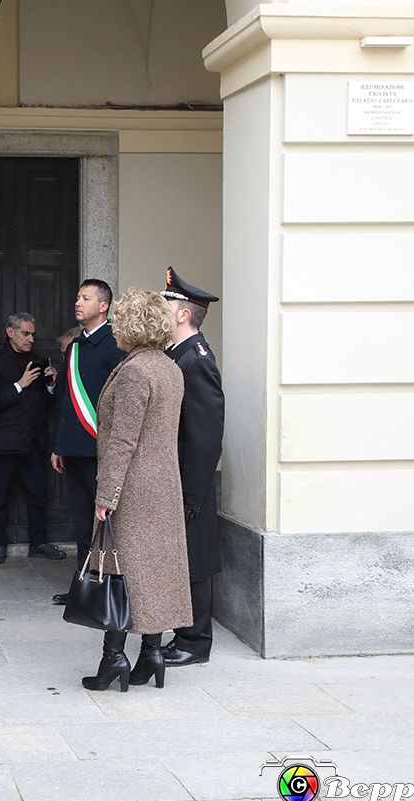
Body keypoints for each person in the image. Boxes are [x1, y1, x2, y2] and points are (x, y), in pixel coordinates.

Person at [82, 288, 191, 692]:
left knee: (121, 571)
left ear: (130, 325)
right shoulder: (169, 368)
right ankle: (152, 652)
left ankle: (113, 658)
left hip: (134, 487)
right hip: (164, 484)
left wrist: (105, 496)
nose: (113, 331)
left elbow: (123, 441)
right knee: (154, 572)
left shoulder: (134, 372)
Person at [160, 267, 225, 666]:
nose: (161, 307)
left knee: (194, 560)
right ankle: (182, 634)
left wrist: (193, 493)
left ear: (184, 313)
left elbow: (205, 434)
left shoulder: (196, 360)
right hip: (177, 479)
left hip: (189, 482)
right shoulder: (176, 355)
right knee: (181, 559)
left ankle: (194, 642)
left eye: (167, 302)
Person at [50, 279, 127, 604]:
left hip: (100, 451)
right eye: (78, 297)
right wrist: (59, 444)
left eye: (85, 298)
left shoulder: (115, 346)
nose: (78, 302)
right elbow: (66, 400)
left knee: (104, 524)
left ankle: (105, 588)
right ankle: (83, 586)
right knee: (81, 523)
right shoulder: (76, 347)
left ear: (103, 306)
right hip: (74, 450)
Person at [0, 312, 65, 564]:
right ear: (10, 332)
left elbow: (44, 403)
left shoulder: (38, 361)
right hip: (5, 442)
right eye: (25, 333)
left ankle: (38, 542)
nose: (30, 339)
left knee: (39, 494)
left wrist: (50, 384)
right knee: (0, 495)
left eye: (33, 334)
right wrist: (19, 384)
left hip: (33, 442)